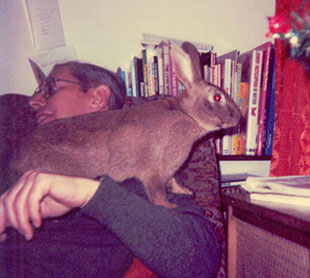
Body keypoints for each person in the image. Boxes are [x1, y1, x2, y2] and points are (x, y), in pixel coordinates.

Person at [0, 61, 220, 278]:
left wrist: (88, 194)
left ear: (97, 98)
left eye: (50, 89)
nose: (34, 101)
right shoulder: (11, 156)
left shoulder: (146, 172)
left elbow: (200, 264)